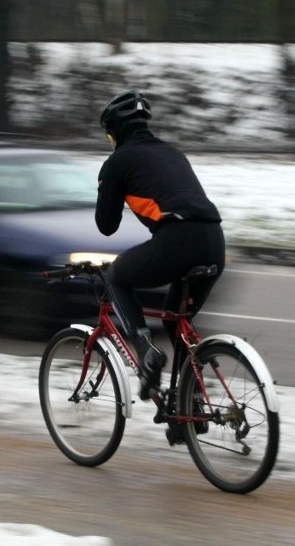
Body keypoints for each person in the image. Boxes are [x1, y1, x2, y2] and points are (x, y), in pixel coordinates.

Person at [95, 89, 225, 401]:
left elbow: (106, 226)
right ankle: (188, 403)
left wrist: (110, 184)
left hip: (178, 241)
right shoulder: (173, 153)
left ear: (114, 132)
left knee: (117, 275)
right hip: (214, 242)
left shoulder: (118, 161)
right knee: (175, 319)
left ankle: (145, 351)